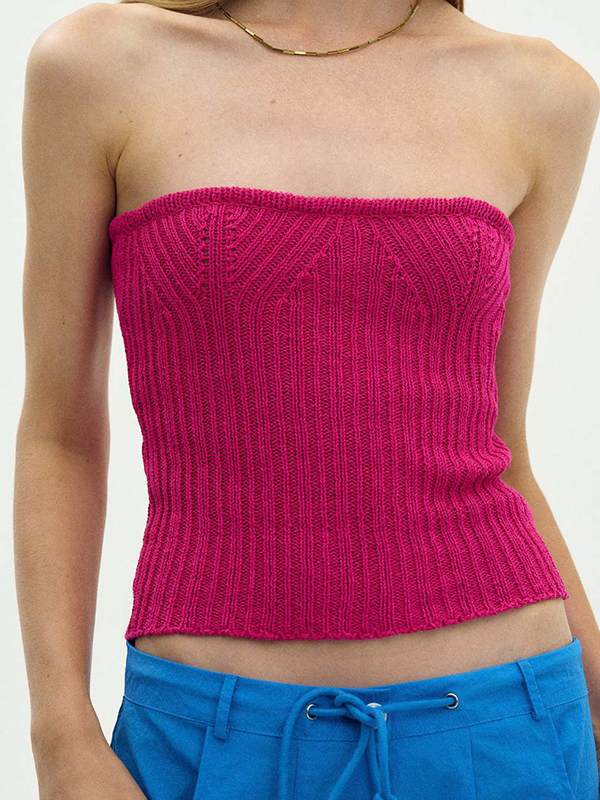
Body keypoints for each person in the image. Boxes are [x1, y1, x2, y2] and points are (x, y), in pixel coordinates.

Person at [14, 0, 600, 798]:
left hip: (509, 731)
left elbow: (503, 444)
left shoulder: (544, 91)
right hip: (209, 740)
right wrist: (60, 734)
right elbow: (59, 433)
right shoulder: (97, 65)